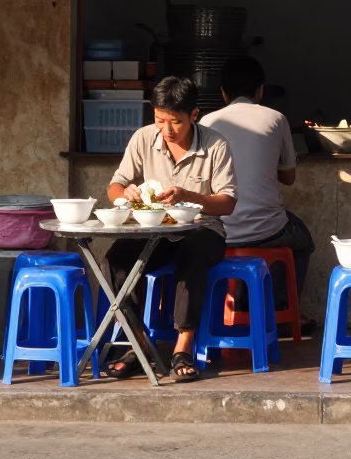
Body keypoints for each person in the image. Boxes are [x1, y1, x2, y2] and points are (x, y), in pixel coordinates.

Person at [105, 77, 237, 382]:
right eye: (159, 119)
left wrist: (187, 196)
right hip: (155, 231)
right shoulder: (143, 138)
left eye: (175, 122)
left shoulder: (216, 145)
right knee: (113, 262)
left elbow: (227, 204)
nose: (166, 130)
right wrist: (127, 194)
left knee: (192, 254)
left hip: (204, 231)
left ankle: (183, 348)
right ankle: (140, 345)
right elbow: (115, 186)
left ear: (194, 115)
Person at [202, 57, 317, 336]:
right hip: (268, 230)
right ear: (260, 91)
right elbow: (288, 178)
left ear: (223, 92)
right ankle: (281, 311)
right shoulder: (276, 119)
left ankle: (238, 305)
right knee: (302, 241)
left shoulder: (206, 122)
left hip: (218, 229)